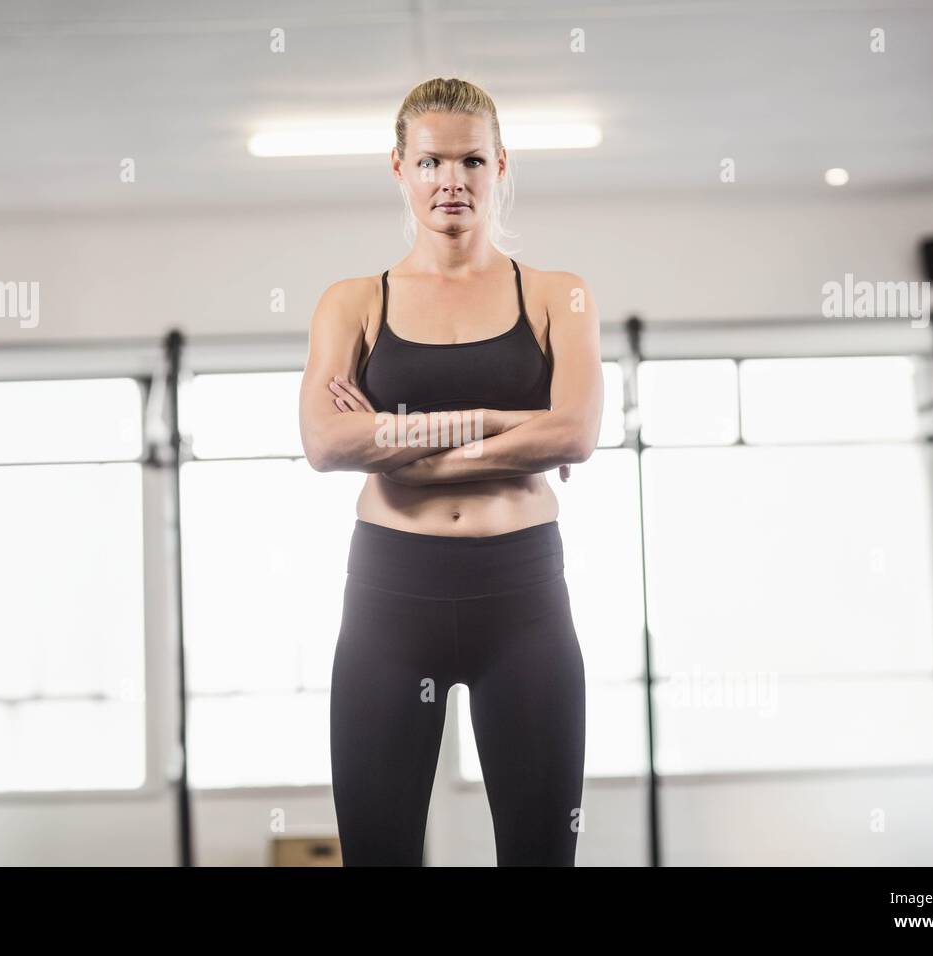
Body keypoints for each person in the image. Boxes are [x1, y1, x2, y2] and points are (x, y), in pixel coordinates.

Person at [298, 77, 603, 865]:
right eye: (431, 161)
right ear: (399, 168)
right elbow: (327, 445)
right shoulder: (353, 301)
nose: (452, 181)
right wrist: (509, 425)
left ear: (501, 166)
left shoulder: (556, 296)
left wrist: (398, 438)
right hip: (391, 597)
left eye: (471, 160)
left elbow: (576, 433)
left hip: (523, 596)